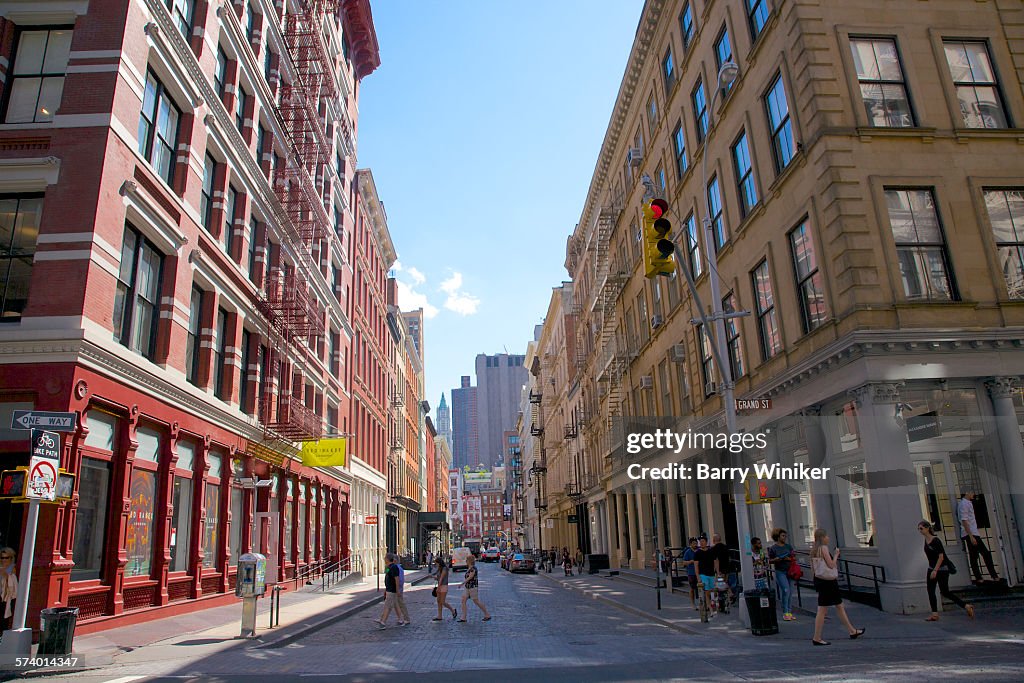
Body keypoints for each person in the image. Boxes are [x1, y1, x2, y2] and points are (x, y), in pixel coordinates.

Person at [810, 529, 865, 645]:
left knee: (838, 605)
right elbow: (831, 565)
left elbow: (813, 569)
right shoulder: (823, 548)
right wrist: (836, 555)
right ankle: (817, 637)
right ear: (822, 537)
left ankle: (851, 630)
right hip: (828, 582)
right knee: (823, 609)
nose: (828, 538)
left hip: (821, 581)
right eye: (826, 536)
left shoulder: (814, 550)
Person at [918, 520, 974, 621]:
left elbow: (941, 556)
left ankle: (966, 606)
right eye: (919, 529)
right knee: (930, 591)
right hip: (931, 568)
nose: (920, 531)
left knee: (945, 591)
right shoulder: (926, 541)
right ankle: (934, 614)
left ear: (927, 528)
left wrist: (935, 570)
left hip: (941, 569)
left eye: (921, 528)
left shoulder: (936, 540)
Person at [957, 491, 1000, 584]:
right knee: (984, 554)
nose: (974, 494)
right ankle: (991, 576)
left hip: (971, 532)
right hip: (971, 533)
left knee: (974, 555)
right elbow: (964, 520)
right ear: (967, 492)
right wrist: (971, 536)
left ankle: (980, 577)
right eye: (972, 492)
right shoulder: (964, 504)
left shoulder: (966, 503)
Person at [769, 528, 796, 621]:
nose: (784, 538)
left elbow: (793, 556)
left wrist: (790, 558)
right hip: (780, 571)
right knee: (785, 590)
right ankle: (785, 612)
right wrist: (776, 559)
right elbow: (770, 560)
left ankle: (789, 611)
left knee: (790, 592)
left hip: (790, 571)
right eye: (783, 536)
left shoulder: (788, 547)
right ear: (778, 536)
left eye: (785, 536)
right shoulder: (773, 548)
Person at [458, 555, 491, 622]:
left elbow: (470, 577)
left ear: (469, 561)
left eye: (467, 560)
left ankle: (487, 614)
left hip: (473, 587)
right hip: (467, 587)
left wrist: (462, 584)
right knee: (463, 600)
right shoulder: (469, 568)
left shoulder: (473, 569)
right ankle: (463, 617)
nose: (466, 561)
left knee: (476, 601)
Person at [694, 533, 719, 616]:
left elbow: (715, 561)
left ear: (706, 542)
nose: (702, 543)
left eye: (703, 541)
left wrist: (717, 572)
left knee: (713, 591)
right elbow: (696, 565)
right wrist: (698, 576)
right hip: (703, 574)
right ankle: (710, 609)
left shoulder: (711, 551)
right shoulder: (697, 553)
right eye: (700, 541)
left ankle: (713, 605)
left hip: (711, 574)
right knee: (707, 591)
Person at [374, 554, 401, 629]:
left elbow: (397, 579)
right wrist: (386, 589)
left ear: (388, 559)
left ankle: (383, 622)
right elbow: (387, 577)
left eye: (385, 558)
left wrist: (397, 589)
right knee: (394, 604)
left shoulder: (394, 567)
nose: (384, 559)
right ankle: (400, 619)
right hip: (389, 589)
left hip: (392, 589)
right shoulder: (388, 567)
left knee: (387, 606)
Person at [432, 556, 457, 621]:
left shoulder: (444, 569)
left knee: (442, 601)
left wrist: (438, 587)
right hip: (440, 585)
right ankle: (439, 616)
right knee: (438, 601)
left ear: (439, 563)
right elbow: (439, 578)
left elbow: (442, 578)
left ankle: (453, 610)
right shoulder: (439, 569)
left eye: (436, 563)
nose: (436, 564)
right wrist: (434, 577)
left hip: (443, 586)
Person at [0, 547, 16, 635]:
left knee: (4, 618)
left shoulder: (11, 568)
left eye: (6, 558)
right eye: (2, 558)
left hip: (6, 597)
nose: (4, 560)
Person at [681, 537, 699, 610]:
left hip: (700, 572)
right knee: (692, 588)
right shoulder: (688, 552)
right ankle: (692, 603)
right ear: (690, 544)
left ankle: (702, 603)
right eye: (694, 543)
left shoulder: (699, 551)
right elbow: (684, 562)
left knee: (702, 588)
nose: (695, 545)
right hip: (691, 572)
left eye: (696, 543)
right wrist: (690, 561)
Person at [395, 558, 411, 625]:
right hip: (394, 590)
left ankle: (406, 618)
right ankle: (401, 618)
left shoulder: (398, 568)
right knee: (394, 605)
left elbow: (400, 580)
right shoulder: (396, 568)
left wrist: (398, 589)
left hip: (397, 590)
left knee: (400, 604)